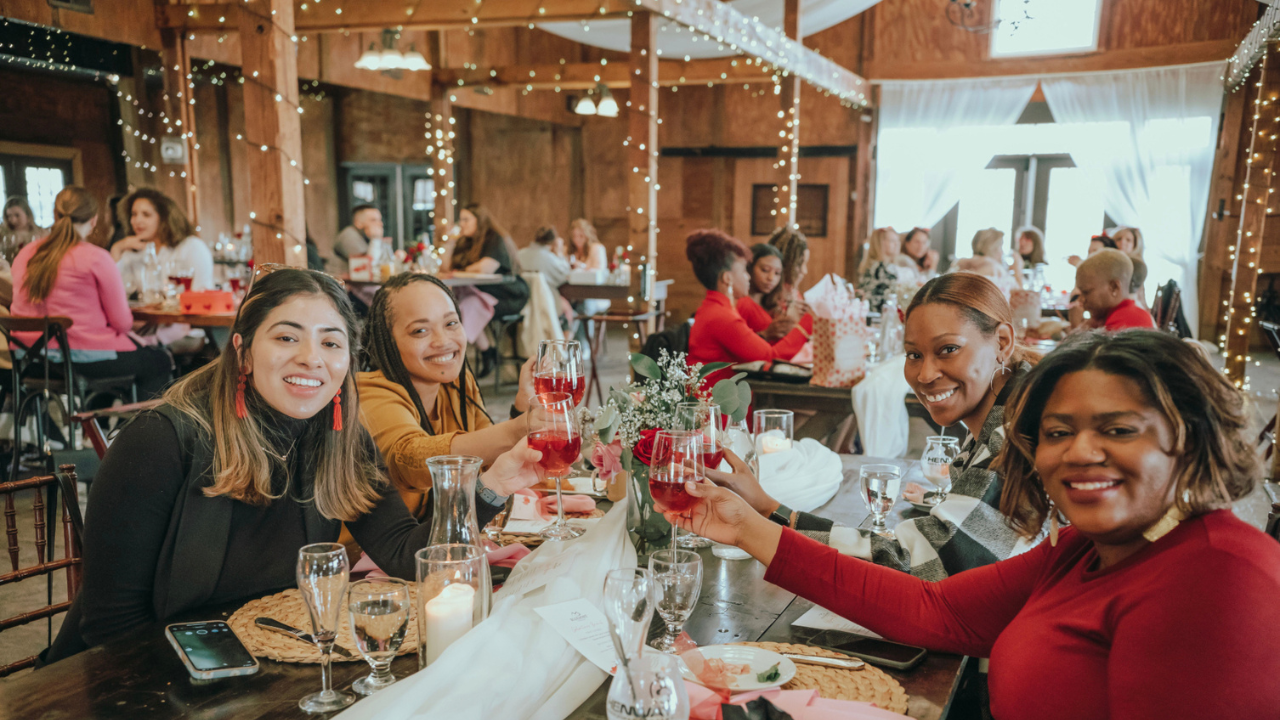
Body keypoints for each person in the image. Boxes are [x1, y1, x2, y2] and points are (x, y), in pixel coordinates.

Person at [662, 330, 1280, 719]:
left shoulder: (1218, 577)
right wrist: (745, 527)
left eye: (1118, 429)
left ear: (1192, 438)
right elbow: (938, 610)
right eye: (1058, 433)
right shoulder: (1091, 549)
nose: (1079, 452)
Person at [43, 267, 548, 663]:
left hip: (256, 664)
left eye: (331, 342)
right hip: (136, 681)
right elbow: (112, 627)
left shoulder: (340, 439)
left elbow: (402, 551)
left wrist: (494, 484)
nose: (312, 358)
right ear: (241, 350)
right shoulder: (161, 442)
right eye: (287, 338)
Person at [702, 273, 1042, 580]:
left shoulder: (1013, 439)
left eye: (948, 349)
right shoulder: (1010, 413)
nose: (925, 375)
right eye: (913, 355)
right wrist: (769, 508)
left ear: (1002, 342)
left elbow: (922, 564)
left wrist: (749, 526)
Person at [359, 272, 536, 519]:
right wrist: (518, 428)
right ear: (388, 341)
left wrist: (522, 408)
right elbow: (411, 459)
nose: (443, 341)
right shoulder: (369, 392)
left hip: (447, 543)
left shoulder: (458, 384)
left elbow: (492, 466)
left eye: (451, 323)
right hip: (365, 556)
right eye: (420, 330)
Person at [10, 187, 173, 399]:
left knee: (130, 360)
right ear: (94, 220)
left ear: (55, 215)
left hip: (29, 361)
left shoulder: (25, 254)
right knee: (158, 361)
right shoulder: (95, 257)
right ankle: (129, 431)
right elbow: (122, 323)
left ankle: (96, 429)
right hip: (81, 361)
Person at [686, 229, 807, 386]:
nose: (748, 276)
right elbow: (771, 357)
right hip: (716, 405)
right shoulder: (722, 317)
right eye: (744, 270)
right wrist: (810, 320)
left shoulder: (715, 309)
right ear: (727, 278)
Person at [444, 204, 530, 377]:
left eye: (466, 219)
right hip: (481, 294)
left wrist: (462, 271)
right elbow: (446, 268)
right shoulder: (464, 241)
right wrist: (450, 242)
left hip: (508, 295)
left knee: (465, 307)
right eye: (461, 220)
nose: (462, 224)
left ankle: (459, 356)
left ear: (480, 220)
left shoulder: (494, 238)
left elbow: (486, 268)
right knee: (455, 309)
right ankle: (487, 352)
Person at [111, 188, 214, 292]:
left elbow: (203, 291)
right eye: (134, 214)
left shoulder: (192, 247)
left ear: (163, 218)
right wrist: (117, 248)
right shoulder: (133, 252)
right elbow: (116, 292)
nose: (137, 220)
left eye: (146, 215)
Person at [738, 243, 809, 344]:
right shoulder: (742, 303)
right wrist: (765, 334)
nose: (771, 278)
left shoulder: (774, 302)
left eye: (777, 273)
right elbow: (738, 344)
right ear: (750, 268)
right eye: (765, 270)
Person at [1075, 249, 1154, 331]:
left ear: (1114, 287)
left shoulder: (1125, 324)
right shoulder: (1107, 318)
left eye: (1086, 292)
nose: (1081, 300)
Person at [856, 227, 912, 313]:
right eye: (892, 241)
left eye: (898, 240)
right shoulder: (880, 268)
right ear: (880, 243)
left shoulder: (872, 266)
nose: (897, 244)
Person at [762, 225, 810, 314]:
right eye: (800, 264)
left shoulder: (793, 292)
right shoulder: (768, 298)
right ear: (786, 263)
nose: (804, 271)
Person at [329, 204, 383, 276]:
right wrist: (376, 239)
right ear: (358, 223)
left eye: (380, 220)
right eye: (373, 220)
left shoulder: (365, 237)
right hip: (340, 283)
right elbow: (368, 266)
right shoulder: (349, 235)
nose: (380, 224)